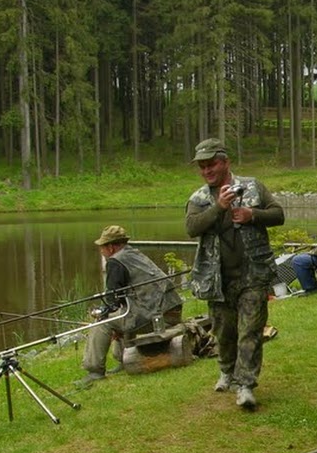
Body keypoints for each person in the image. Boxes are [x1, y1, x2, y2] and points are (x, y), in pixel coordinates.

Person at [185, 138, 285, 410]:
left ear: (225, 162)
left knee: (250, 330)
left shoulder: (253, 187)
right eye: (202, 167)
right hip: (216, 279)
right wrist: (219, 207)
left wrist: (252, 214)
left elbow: (278, 214)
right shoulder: (199, 199)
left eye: (211, 164)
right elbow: (192, 227)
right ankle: (227, 370)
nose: (207, 171)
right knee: (224, 332)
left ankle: (246, 386)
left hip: (253, 274)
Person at [82, 225, 183, 382]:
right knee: (122, 314)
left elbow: (112, 300)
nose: (101, 251)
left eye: (102, 247)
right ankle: (123, 358)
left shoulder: (115, 261)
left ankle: (94, 371)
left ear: (111, 247)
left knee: (102, 322)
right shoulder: (134, 254)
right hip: (172, 311)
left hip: (156, 317)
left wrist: (103, 314)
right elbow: (120, 301)